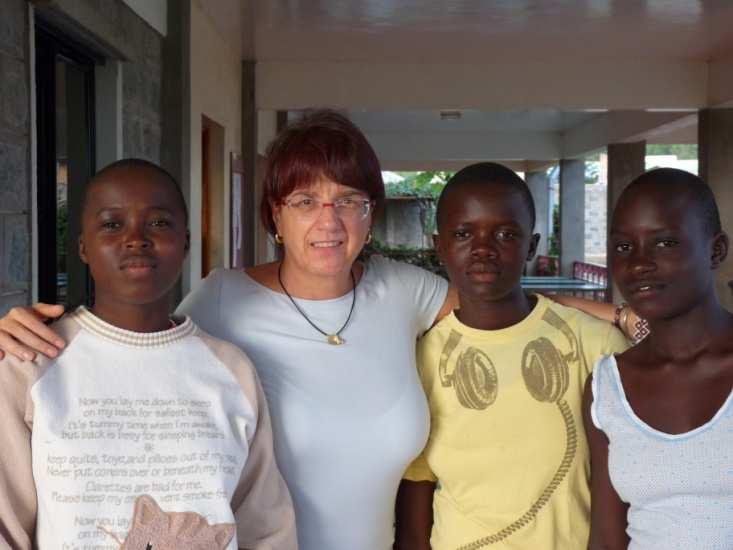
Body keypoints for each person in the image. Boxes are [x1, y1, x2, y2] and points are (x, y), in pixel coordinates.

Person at [0, 112, 625, 550]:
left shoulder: (401, 290)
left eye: (348, 199)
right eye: (304, 201)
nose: (328, 221)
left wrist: (635, 318)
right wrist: (24, 331)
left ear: (369, 213)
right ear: (275, 215)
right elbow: (136, 342)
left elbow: (509, 301)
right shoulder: (224, 299)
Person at [0, 159, 296, 550]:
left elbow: (265, 525)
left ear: (186, 242)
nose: (135, 238)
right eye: (111, 224)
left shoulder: (230, 370)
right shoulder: (32, 363)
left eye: (158, 222)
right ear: (84, 246)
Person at [394, 163, 629, 550]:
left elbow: (627, 482)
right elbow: (418, 482)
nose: (483, 249)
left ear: (532, 247)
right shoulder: (419, 359)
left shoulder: (594, 345)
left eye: (505, 234)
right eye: (463, 233)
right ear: (439, 246)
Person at [584, 168, 733, 549]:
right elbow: (605, 538)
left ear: (716, 250)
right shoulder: (608, 387)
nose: (639, 263)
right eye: (623, 247)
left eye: (665, 243)